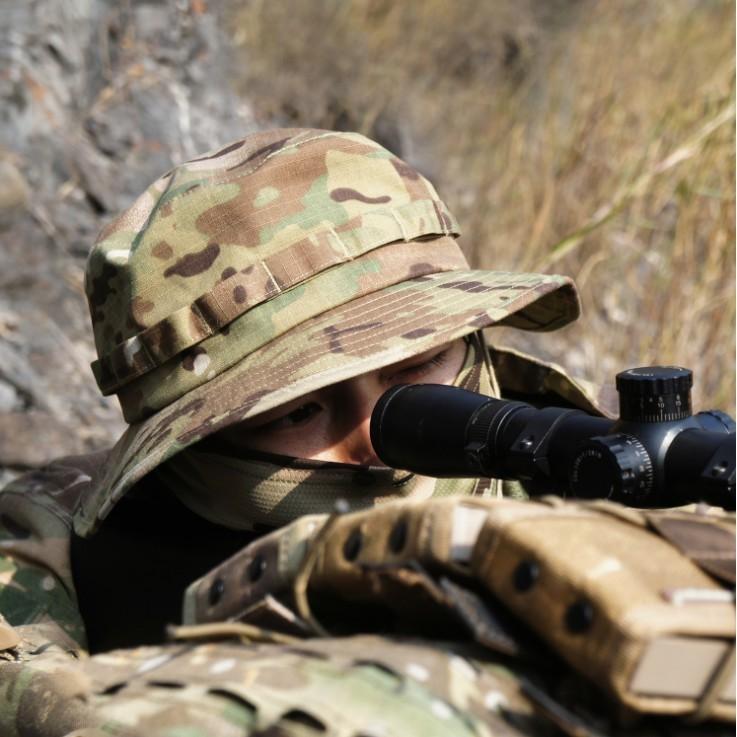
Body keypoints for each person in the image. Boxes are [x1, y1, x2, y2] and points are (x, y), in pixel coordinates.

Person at [0, 129, 730, 736]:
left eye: (418, 368)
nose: (379, 440)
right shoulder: (59, 546)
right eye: (295, 412)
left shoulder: (591, 471)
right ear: (190, 447)